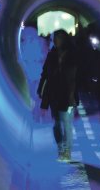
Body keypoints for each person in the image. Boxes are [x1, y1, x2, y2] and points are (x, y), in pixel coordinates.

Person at [37, 29, 77, 162]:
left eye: (59, 38)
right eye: (55, 38)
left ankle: (67, 151)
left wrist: (75, 94)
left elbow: (77, 77)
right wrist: (40, 89)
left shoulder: (72, 54)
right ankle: (60, 147)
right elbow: (45, 74)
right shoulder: (51, 55)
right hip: (54, 94)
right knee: (56, 124)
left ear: (65, 39)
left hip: (68, 95)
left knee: (66, 123)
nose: (56, 40)